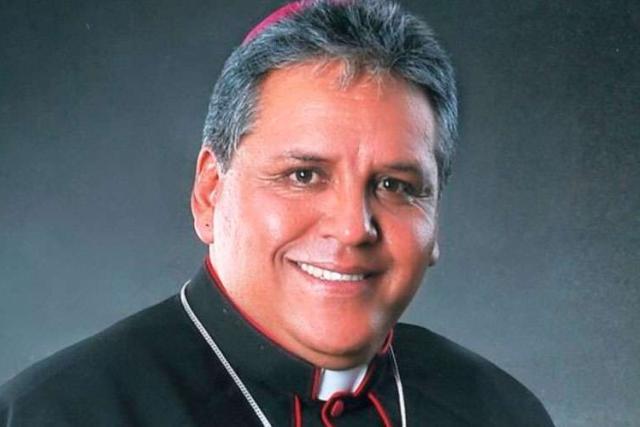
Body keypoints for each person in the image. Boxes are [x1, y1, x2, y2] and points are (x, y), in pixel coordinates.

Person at [0, 1, 555, 425]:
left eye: (394, 185)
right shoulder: (58, 412)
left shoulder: (500, 411)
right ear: (210, 192)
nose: (353, 228)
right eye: (303, 175)